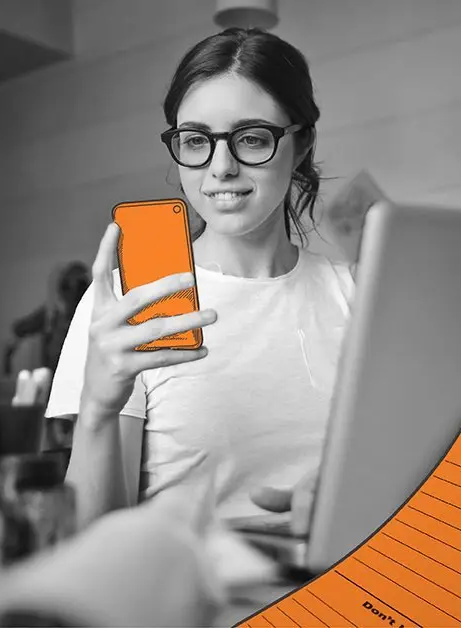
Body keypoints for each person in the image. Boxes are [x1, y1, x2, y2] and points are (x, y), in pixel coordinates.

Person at [45, 27, 354, 529]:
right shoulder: (127, 304)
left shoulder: (358, 295)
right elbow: (93, 544)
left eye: (251, 138)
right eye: (196, 141)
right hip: (184, 579)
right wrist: (98, 408)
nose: (221, 167)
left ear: (302, 144)